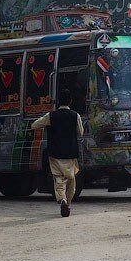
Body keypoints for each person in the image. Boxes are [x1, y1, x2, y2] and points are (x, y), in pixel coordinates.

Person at [31, 88, 83, 217]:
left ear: (58, 102)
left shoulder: (51, 116)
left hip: (55, 153)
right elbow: (80, 132)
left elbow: (34, 125)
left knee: (59, 179)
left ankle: (62, 199)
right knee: (71, 179)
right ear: (70, 101)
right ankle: (68, 204)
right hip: (71, 153)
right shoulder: (75, 115)